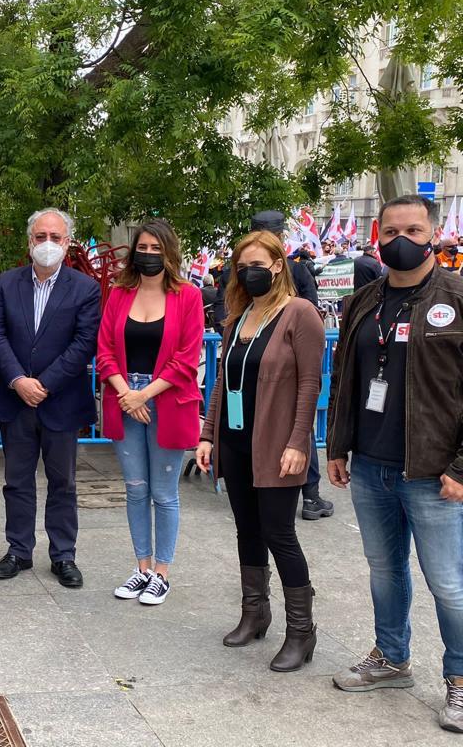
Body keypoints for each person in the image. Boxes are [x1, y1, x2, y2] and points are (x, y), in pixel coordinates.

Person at [326, 194, 463, 733]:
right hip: (371, 465)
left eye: (412, 228)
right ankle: (392, 658)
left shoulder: (457, 296)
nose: (400, 239)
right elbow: (345, 380)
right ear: (376, 237)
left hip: (434, 472)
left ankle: (459, 679)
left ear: (433, 234)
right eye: (389, 231)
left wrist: (460, 466)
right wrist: (337, 446)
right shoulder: (363, 300)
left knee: (449, 583)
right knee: (385, 571)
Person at [194, 229, 324, 672]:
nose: (250, 272)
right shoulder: (238, 316)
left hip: (276, 444)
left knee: (279, 534)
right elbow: (221, 384)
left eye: (258, 264)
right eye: (242, 265)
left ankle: (302, 632)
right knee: (246, 530)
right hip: (235, 440)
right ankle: (255, 612)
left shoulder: (299, 313)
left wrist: (298, 442)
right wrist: (208, 435)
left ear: (277, 265)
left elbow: (310, 383)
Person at [0, 208, 100, 588]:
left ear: (67, 243)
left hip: (61, 402)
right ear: (29, 241)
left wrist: (44, 384)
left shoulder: (85, 288)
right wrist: (18, 379)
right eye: (40, 237)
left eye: (55, 237)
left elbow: (84, 344)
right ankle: (18, 550)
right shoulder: (7, 284)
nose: (46, 244)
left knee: (62, 482)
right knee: (16, 481)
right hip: (15, 400)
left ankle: (63, 555)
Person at [98, 219, 203, 605]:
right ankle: (141, 568)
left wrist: (145, 396)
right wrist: (128, 393)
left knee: (164, 492)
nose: (148, 255)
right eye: (142, 248)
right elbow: (105, 349)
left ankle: (162, 573)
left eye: (156, 249)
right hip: (125, 397)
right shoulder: (119, 293)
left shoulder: (187, 296)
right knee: (135, 489)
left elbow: (187, 359)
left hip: (167, 401)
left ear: (170, 253)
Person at [249, 210, 332, 522]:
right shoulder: (240, 270)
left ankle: (309, 494)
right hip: (246, 365)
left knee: (299, 427)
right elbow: (224, 309)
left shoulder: (296, 273)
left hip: (287, 366)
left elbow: (311, 314)